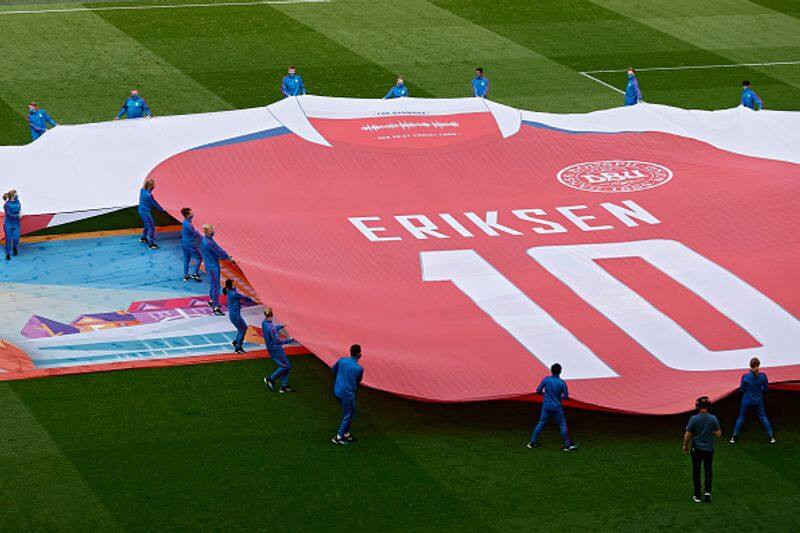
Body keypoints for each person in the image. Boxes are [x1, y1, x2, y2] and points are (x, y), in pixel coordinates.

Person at [527, 363, 578, 451]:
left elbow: (538, 390)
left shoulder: (546, 380)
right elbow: (565, 397)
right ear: (560, 371)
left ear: (551, 370)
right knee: (562, 425)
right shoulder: (562, 383)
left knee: (541, 423)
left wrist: (545, 394)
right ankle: (568, 445)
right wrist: (560, 397)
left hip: (546, 406)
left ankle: (532, 442)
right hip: (557, 407)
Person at [683, 396, 721, 503]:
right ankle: (708, 492)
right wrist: (711, 431)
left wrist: (685, 445)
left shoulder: (694, 419)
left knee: (696, 471)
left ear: (697, 406)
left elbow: (687, 435)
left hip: (697, 449)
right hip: (709, 449)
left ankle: (697, 496)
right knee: (708, 470)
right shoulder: (713, 418)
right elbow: (718, 434)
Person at [730, 357, 775, 444]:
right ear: (759, 365)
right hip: (758, 401)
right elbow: (765, 389)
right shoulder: (763, 376)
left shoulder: (745, 377)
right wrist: (759, 389)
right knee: (762, 417)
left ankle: (734, 437)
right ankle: (771, 437)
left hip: (746, 401)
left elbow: (742, 390)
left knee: (741, 417)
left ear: (750, 366)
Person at [331, 344, 364, 445]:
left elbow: (333, 370)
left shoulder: (342, 361)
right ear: (358, 354)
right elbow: (358, 381)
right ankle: (339, 437)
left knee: (350, 413)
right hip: (347, 394)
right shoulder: (359, 368)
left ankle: (345, 433)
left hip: (337, 391)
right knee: (348, 414)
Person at [201, 224, 233, 316]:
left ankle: (212, 300)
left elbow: (217, 249)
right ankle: (216, 307)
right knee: (216, 286)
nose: (213, 231)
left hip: (209, 264)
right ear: (208, 231)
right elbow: (218, 251)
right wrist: (228, 257)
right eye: (212, 230)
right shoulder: (209, 242)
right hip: (212, 266)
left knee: (212, 285)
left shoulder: (206, 239)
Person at [262, 307, 295, 393]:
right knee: (286, 366)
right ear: (272, 315)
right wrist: (290, 339)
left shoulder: (264, 323)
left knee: (285, 366)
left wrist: (281, 326)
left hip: (271, 348)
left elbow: (272, 330)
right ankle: (270, 379)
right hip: (276, 349)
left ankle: (284, 386)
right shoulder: (271, 327)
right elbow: (277, 341)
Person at [222, 279, 253, 354]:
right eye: (233, 284)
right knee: (242, 330)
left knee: (244, 328)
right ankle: (238, 348)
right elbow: (245, 298)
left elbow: (234, 290)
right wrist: (252, 299)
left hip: (234, 315)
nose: (235, 285)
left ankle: (236, 342)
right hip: (236, 316)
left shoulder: (230, 291)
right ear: (231, 285)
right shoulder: (233, 294)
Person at [138, 178, 164, 250]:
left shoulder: (142, 190)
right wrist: (162, 209)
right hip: (145, 212)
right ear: (150, 186)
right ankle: (151, 244)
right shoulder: (149, 195)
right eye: (153, 185)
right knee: (151, 227)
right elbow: (154, 203)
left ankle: (143, 238)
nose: (154, 186)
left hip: (141, 210)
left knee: (147, 225)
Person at [180, 207, 203, 282]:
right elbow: (195, 233)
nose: (192, 213)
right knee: (199, 257)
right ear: (187, 215)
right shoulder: (189, 225)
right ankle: (195, 274)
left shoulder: (185, 222)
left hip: (184, 243)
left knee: (186, 259)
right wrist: (203, 237)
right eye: (191, 213)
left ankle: (186, 275)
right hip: (190, 244)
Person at [3, 190, 21, 261]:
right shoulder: (6, 205)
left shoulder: (18, 201)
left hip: (16, 224)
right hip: (8, 225)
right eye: (16, 194)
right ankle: (8, 254)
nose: (17, 195)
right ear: (12, 196)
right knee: (8, 240)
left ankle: (15, 247)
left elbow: (19, 209)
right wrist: (18, 215)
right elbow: (9, 215)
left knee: (16, 239)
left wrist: (20, 212)